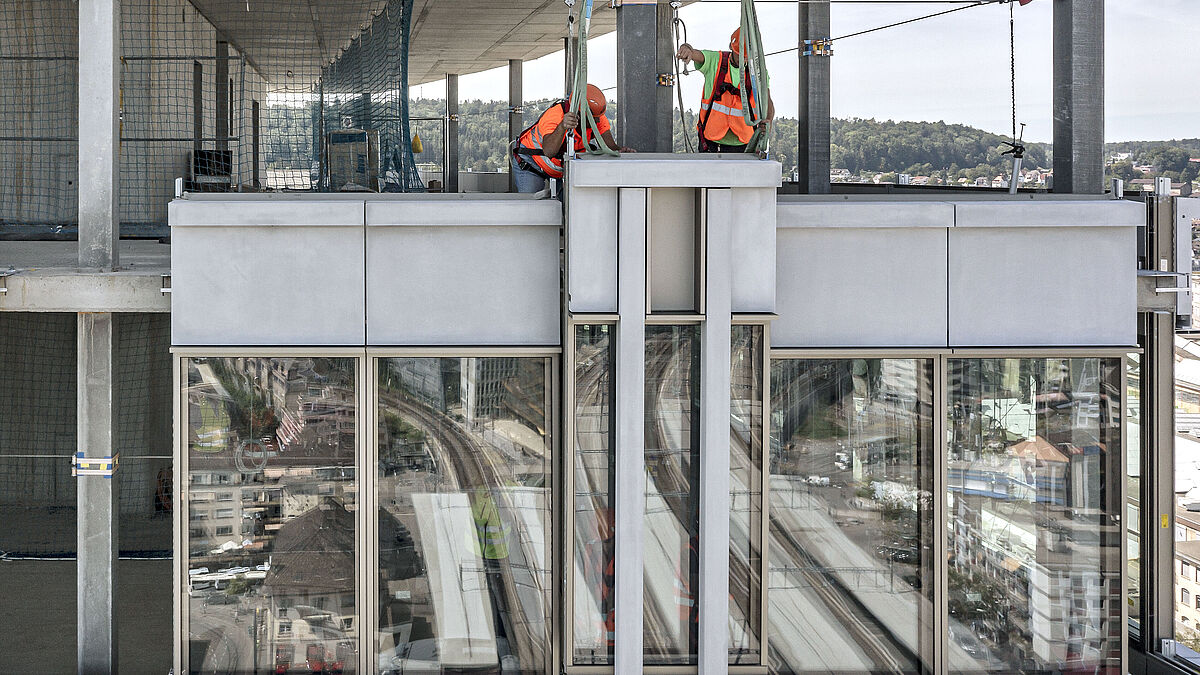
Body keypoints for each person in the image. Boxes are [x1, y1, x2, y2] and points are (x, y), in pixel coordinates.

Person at [510, 83, 631, 194]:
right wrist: (562, 126)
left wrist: (620, 151)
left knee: (566, 207)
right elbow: (549, 151)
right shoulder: (555, 116)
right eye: (593, 119)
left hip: (558, 170)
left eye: (598, 117)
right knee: (531, 207)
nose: (598, 121)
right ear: (579, 114)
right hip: (531, 163)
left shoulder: (596, 116)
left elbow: (610, 147)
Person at [676, 28, 775, 153]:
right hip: (712, 142)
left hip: (744, 143)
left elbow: (768, 100)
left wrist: (768, 122)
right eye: (740, 55)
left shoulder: (757, 72)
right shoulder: (716, 61)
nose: (743, 60)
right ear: (731, 48)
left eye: (746, 57)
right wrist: (687, 49)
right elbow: (698, 55)